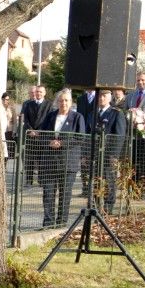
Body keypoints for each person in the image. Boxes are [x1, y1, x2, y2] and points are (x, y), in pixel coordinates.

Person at [39, 88, 85, 227]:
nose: (63, 103)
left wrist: (62, 143)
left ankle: (61, 222)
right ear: (57, 102)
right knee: (48, 193)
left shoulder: (77, 117)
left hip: (68, 163)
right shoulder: (50, 116)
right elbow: (42, 134)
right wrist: (49, 142)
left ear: (71, 102)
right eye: (61, 100)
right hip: (49, 161)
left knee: (65, 194)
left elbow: (80, 138)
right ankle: (48, 222)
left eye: (66, 100)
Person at [96, 89, 127, 213]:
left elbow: (119, 136)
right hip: (96, 154)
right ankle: (97, 205)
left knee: (110, 180)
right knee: (97, 180)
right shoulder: (93, 113)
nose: (101, 98)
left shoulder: (116, 113)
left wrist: (114, 155)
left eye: (104, 96)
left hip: (109, 154)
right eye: (100, 96)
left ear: (110, 97)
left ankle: (108, 207)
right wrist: (85, 155)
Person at [21, 84, 52, 185]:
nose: (38, 93)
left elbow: (49, 120)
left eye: (40, 92)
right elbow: (25, 119)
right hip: (30, 136)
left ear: (44, 93)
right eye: (37, 91)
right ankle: (29, 180)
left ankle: (41, 180)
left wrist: (39, 131)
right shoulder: (29, 104)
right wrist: (31, 130)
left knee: (41, 159)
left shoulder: (49, 105)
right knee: (29, 159)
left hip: (42, 136)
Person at [76, 89, 97, 196]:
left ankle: (94, 189)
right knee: (84, 162)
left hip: (96, 135)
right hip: (83, 135)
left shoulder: (100, 96)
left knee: (95, 163)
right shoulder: (81, 99)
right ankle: (85, 188)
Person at [1, 92, 18, 159]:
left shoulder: (12, 109)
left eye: (7, 99)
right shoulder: (0, 108)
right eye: (4, 99)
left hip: (9, 131)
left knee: (8, 151)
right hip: (1, 131)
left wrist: (14, 131)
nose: (6, 101)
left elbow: (15, 121)